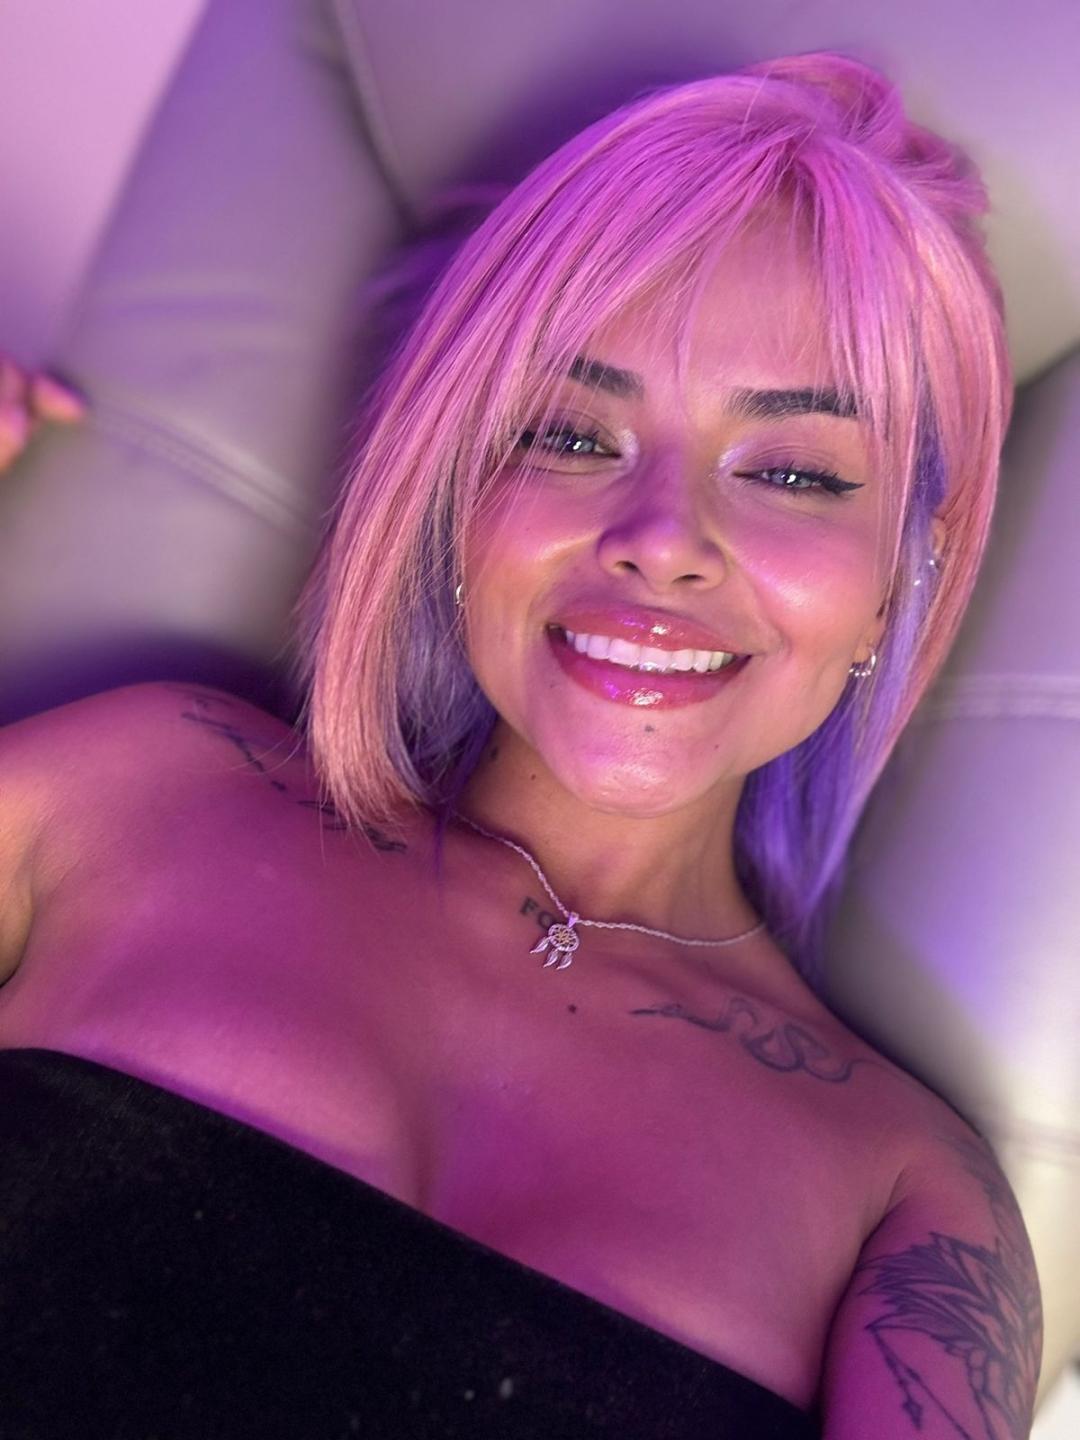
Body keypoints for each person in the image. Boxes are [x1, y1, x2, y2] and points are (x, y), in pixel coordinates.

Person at [0, 50, 1042, 1440]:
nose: (662, 539)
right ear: (454, 489)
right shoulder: (131, 791)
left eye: (793, 471)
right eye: (569, 434)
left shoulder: (907, 1201)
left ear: (901, 576)